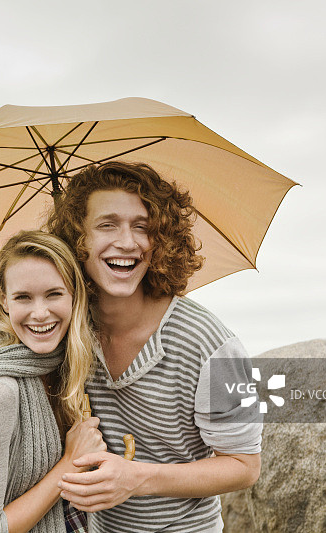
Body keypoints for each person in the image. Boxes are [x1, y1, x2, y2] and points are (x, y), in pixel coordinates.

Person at [46, 161, 262, 533]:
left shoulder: (210, 343)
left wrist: (137, 478)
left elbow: (244, 466)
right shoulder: (66, 330)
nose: (127, 242)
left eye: (142, 227)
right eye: (107, 224)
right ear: (77, 239)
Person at [0, 230, 107, 533]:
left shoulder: (70, 370)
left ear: (74, 295)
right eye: (23, 297)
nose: (40, 313)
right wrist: (69, 463)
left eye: (54, 294)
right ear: (4, 301)